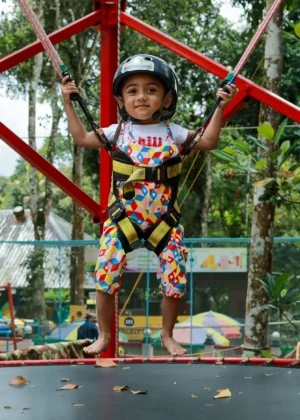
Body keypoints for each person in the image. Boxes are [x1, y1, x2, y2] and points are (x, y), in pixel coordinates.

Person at [61, 55, 236, 356]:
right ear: (121, 99)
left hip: (163, 222)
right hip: (123, 219)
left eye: (151, 90)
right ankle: (104, 335)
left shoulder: (174, 132)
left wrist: (220, 106)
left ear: (166, 98)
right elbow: (80, 137)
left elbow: (208, 141)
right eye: (133, 90)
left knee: (174, 275)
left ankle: (167, 335)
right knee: (106, 270)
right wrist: (68, 102)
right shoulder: (117, 132)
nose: (141, 96)